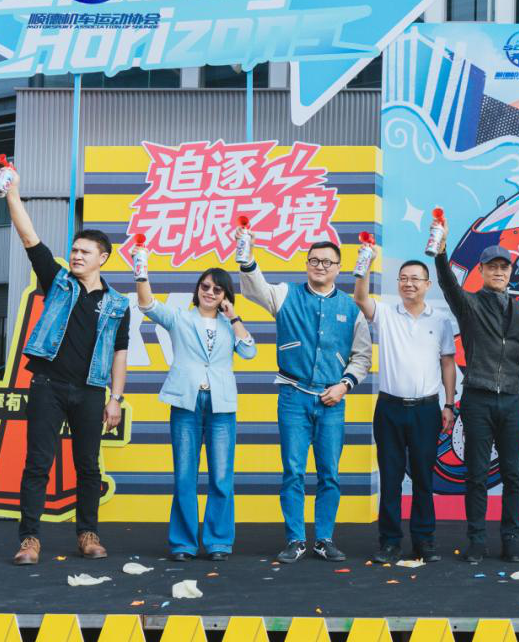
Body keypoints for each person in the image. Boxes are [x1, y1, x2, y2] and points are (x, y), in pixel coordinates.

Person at [5, 174, 128, 565]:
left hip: (91, 391)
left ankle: (87, 534)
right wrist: (12, 193)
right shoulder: (57, 281)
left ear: (102, 258)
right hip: (48, 385)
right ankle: (29, 540)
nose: (76, 256)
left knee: (88, 466)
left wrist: (115, 398)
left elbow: (119, 353)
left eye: (84, 252)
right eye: (74, 250)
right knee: (38, 463)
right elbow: (29, 237)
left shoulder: (118, 304)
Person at [239, 237, 370, 563]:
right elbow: (256, 289)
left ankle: (324, 539)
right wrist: (247, 255)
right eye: (314, 260)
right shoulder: (286, 294)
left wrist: (344, 385)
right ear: (306, 264)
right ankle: (295, 539)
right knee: (293, 471)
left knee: (329, 473)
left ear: (338, 268)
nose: (320, 266)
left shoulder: (351, 308)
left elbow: (362, 357)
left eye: (327, 262)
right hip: (293, 396)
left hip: (332, 400)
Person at [434, 239, 519, 565]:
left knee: (513, 476)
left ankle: (511, 540)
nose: (498, 272)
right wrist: (441, 252)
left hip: (512, 401)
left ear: (510, 272)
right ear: (481, 271)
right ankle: (477, 541)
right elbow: (448, 284)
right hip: (477, 399)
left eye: (503, 267)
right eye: (492, 267)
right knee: (477, 475)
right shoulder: (469, 304)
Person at [136, 267, 256, 561]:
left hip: (221, 405)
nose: (210, 293)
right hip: (186, 403)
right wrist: (141, 273)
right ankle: (183, 544)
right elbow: (147, 304)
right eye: (205, 286)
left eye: (217, 289)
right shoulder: (180, 318)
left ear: (226, 295)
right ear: (197, 289)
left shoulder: (230, 324)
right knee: (185, 476)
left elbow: (249, 352)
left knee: (221, 476)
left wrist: (234, 317)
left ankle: (219, 543)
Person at [353, 256, 457, 563]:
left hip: (426, 409)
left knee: (424, 477)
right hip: (390, 408)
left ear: (427, 284)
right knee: (391, 478)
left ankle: (424, 541)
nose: (408, 283)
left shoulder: (440, 320)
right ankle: (390, 542)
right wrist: (364, 264)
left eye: (415, 279)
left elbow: (447, 363)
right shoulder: (386, 313)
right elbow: (360, 298)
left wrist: (449, 403)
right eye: (403, 278)